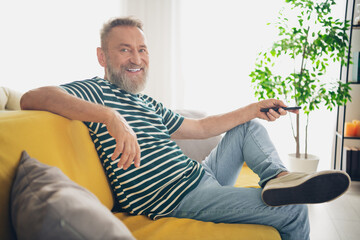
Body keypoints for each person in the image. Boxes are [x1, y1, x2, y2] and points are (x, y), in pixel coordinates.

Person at [20, 17, 350, 240]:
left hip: (199, 176)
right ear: (102, 56)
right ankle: (283, 194)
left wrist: (254, 108)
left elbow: (203, 127)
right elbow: (33, 97)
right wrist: (109, 117)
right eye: (125, 49)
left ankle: (278, 179)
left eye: (142, 49)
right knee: (293, 213)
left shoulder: (148, 103)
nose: (137, 57)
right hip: (176, 198)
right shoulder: (95, 92)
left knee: (247, 127)